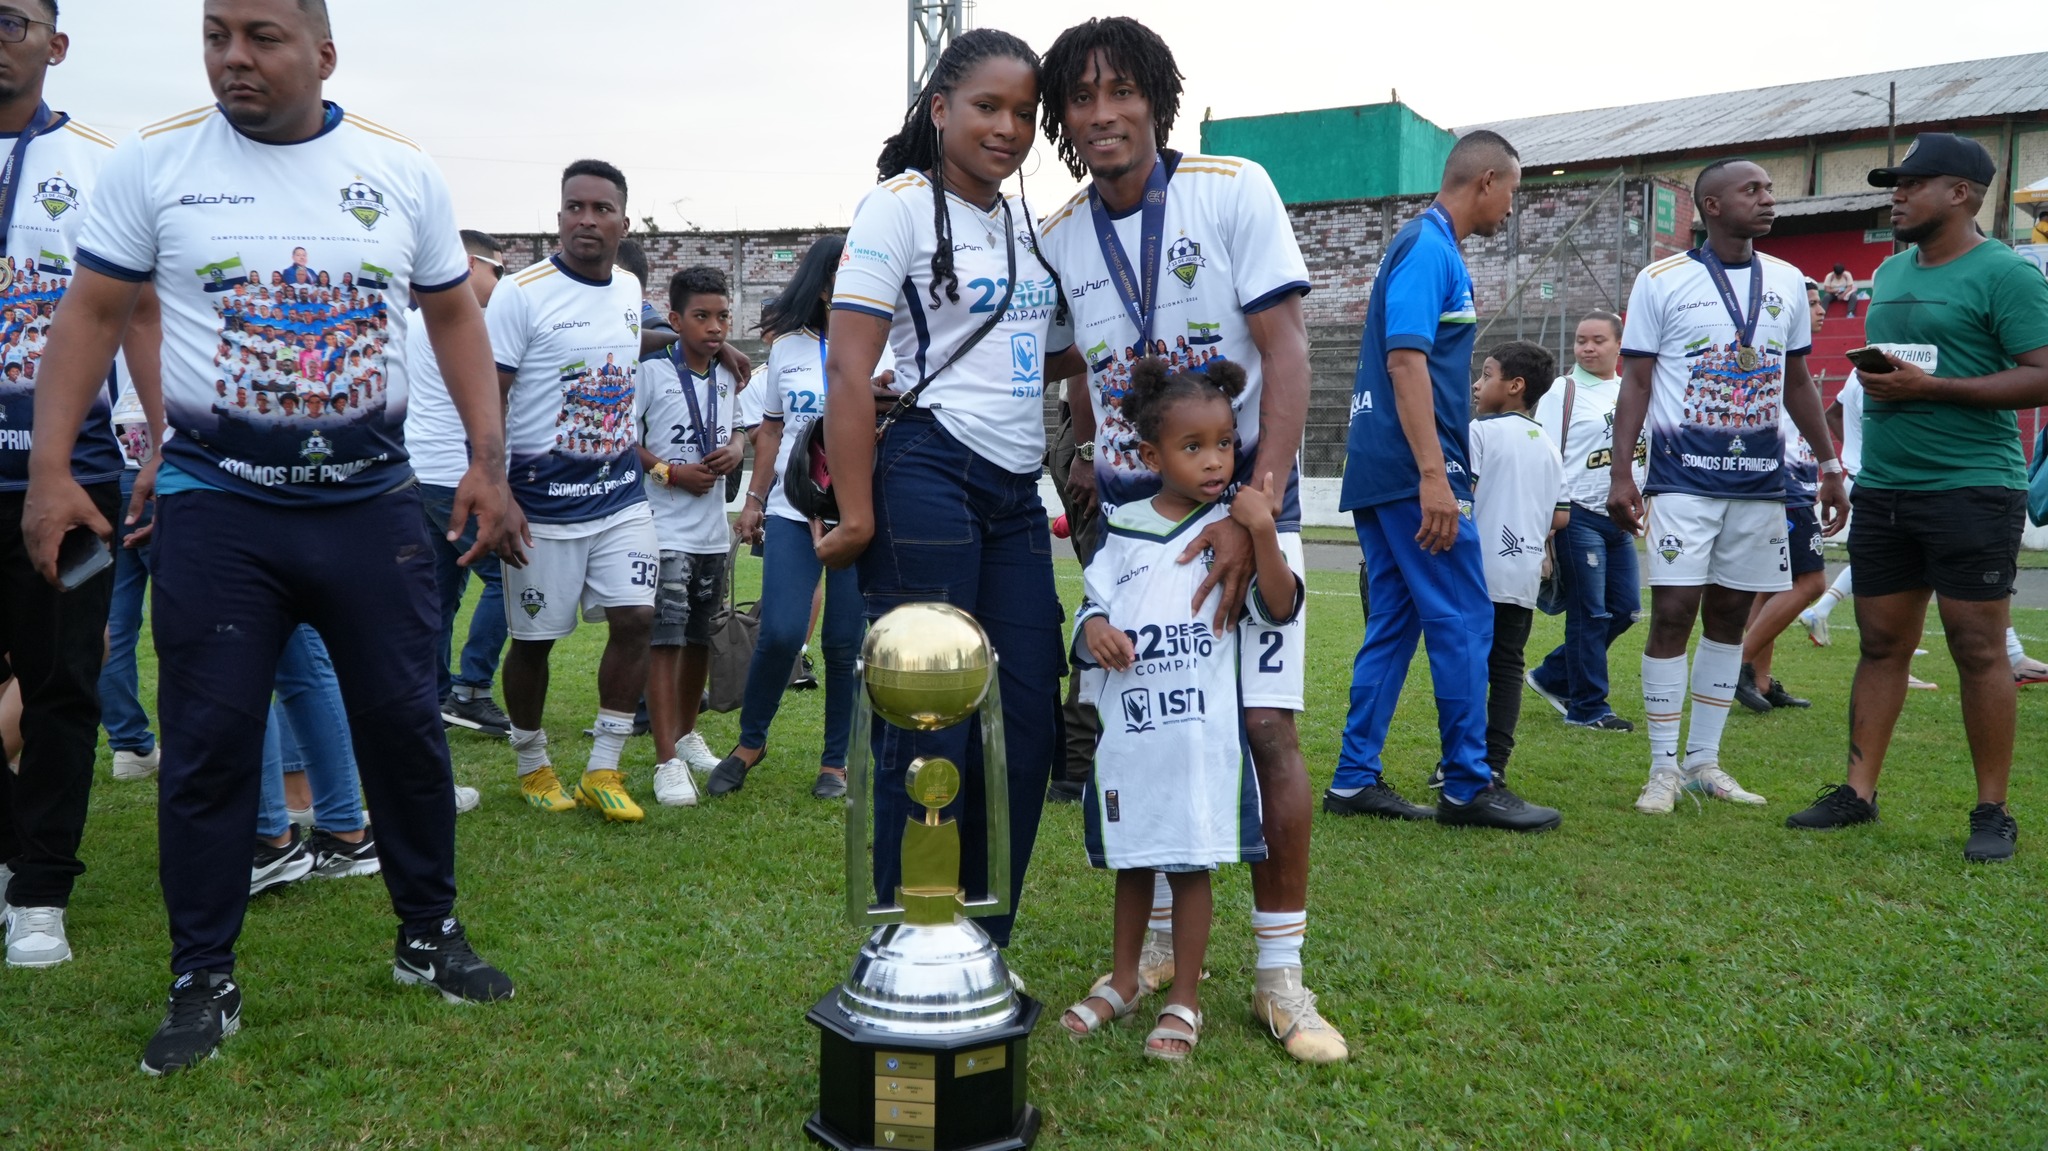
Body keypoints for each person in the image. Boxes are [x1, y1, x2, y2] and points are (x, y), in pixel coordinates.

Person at [26, 0, 521, 1074]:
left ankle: (427, 932)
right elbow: (93, 314)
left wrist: (486, 463)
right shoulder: (155, 163)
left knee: (405, 726)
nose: (232, 57)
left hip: (371, 505)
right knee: (207, 748)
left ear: (323, 53)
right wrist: (54, 469)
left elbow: (452, 319)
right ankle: (202, 973)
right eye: (216, 34)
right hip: (219, 508)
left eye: (261, 35)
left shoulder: (398, 169)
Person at [1032, 16, 1344, 1064]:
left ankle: (1277, 974)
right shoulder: (1061, 232)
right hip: (1130, 528)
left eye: (1121, 91)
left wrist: (1250, 506)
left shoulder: (1231, 186)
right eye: (1080, 98)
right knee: (1150, 729)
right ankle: (1158, 947)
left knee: (1263, 731)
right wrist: (1080, 457)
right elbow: (1072, 366)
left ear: (1155, 100)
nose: (1102, 113)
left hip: (1245, 512)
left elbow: (1284, 348)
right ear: (1062, 120)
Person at [814, 27, 1066, 954]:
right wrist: (858, 509)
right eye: (988, 107)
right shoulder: (900, 207)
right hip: (928, 475)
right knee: (931, 723)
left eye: (1025, 114)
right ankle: (906, 947)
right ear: (939, 110)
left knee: (1030, 718)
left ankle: (980, 948)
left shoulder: (1021, 219)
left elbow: (1039, 346)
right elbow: (849, 369)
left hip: (1015, 493)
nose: (1009, 128)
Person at [1785, 133, 2048, 861]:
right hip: (1889, 488)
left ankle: (1992, 809)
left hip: (1973, 486)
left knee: (1977, 646)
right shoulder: (1890, 273)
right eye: (1893, 185)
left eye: (1911, 183)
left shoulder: (2008, 274)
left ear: (1960, 193)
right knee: (1880, 643)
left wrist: (1931, 387)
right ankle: (1857, 792)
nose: (1895, 196)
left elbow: (2043, 372)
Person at [1328, 130, 1562, 834]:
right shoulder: (1431, 247)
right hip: (1414, 469)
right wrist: (1435, 473)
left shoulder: (1425, 245)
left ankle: (1352, 776)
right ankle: (1467, 784)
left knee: (1395, 624)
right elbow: (1407, 363)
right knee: (1465, 616)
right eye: (1512, 194)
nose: (1510, 210)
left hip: (1383, 465)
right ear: (1486, 180)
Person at [1060, 358, 1286, 1061]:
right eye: (1194, 447)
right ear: (1152, 456)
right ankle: (1125, 979)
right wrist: (1094, 629)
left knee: (1189, 864)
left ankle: (1184, 994)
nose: (1215, 460)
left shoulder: (1234, 535)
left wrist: (1264, 530)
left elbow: (1278, 605)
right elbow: (1090, 609)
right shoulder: (1122, 530)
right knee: (1134, 862)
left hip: (1200, 740)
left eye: (1225, 443)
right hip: (1134, 739)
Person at [1607, 158, 1847, 816]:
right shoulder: (1661, 280)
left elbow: (1797, 379)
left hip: (1761, 482)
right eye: (1753, 190)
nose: (1769, 200)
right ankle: (1661, 768)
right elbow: (1636, 381)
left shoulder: (1789, 283)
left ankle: (1704, 761)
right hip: (1683, 478)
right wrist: (1622, 469)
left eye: (1770, 188)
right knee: (1674, 610)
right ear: (1712, 206)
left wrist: (1828, 465)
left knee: (1729, 618)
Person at [0, 2, 154, 971]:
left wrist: (160, 443)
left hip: (75, 477)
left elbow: (136, 308)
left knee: (63, 681)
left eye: (12, 18)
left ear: (54, 46)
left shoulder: (103, 164)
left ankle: (41, 886)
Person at [490, 159, 658, 824]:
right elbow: (488, 396)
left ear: (623, 219)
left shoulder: (627, 286)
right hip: (542, 505)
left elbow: (632, 339)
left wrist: (723, 353)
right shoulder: (520, 293)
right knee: (535, 641)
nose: (586, 220)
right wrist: (497, 490)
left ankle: (604, 767)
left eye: (601, 209)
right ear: (559, 216)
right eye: (574, 208)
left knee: (638, 618)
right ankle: (532, 765)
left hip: (620, 495)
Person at [720, 236, 867, 801]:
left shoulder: (888, 347)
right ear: (821, 282)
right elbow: (773, 432)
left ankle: (836, 764)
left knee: (844, 642)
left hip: (857, 515)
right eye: (839, 276)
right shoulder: (788, 349)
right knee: (780, 631)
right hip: (790, 507)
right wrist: (754, 501)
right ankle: (750, 742)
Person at [634, 265, 743, 806]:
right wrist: (669, 473)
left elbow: (743, 427)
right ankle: (664, 761)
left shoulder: (727, 374)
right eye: (701, 316)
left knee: (700, 636)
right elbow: (626, 442)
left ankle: (685, 732)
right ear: (675, 320)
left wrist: (740, 448)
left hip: (711, 531)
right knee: (665, 640)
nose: (715, 327)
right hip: (663, 528)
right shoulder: (651, 373)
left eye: (723, 316)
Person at [411, 229, 514, 742]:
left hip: (424, 472)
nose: (501, 282)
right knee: (510, 580)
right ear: (469, 264)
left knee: (439, 593)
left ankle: (433, 697)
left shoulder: (414, 319)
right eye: (497, 270)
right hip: (458, 474)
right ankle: (472, 691)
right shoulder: (468, 321)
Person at [1526, 311, 1643, 732]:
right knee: (1589, 614)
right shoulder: (1565, 389)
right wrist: (1544, 532)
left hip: (1619, 519)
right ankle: (1588, 708)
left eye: (1598, 340)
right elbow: (1545, 453)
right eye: (1580, 341)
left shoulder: (1632, 388)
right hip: (1577, 516)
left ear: (1619, 344)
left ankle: (1552, 676)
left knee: (1626, 610)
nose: (1588, 348)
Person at [1466, 341, 1565, 786]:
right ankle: (1495, 764)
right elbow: (1559, 516)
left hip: (1477, 572)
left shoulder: (1479, 433)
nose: (1476, 383)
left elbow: (1461, 497)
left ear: (1514, 385)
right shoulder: (1546, 442)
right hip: (1522, 575)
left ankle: (1460, 760)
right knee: (1507, 666)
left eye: (1486, 374)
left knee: (1467, 666)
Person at [1734, 278, 1833, 712]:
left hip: (1791, 481)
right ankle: (1735, 664)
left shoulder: (1793, 361)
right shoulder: (1775, 358)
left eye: (1820, 303)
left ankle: (1760, 679)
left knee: (1769, 586)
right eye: (1811, 303)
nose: (1820, 309)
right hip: (1782, 483)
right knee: (1810, 583)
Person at [101, 353, 163, 782]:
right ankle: (137, 743)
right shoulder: (162, 309)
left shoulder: (88, 309)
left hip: (105, 477)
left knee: (113, 624)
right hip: (159, 475)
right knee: (192, 622)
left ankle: (128, 745)